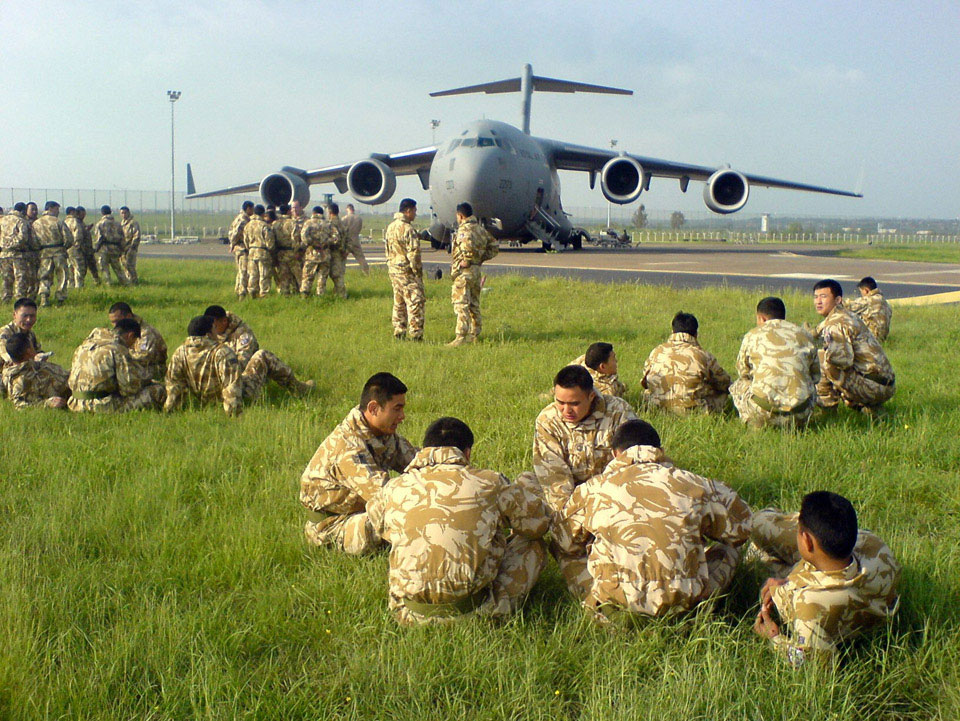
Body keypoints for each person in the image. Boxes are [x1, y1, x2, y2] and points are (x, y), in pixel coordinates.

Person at [556, 419, 752, 622]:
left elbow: (563, 540)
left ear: (615, 453)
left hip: (617, 608)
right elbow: (743, 529)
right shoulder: (696, 483)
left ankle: (600, 605)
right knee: (731, 549)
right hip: (687, 607)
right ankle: (696, 609)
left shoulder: (592, 489)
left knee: (567, 552)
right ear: (660, 450)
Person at [368, 416, 550, 625]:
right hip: (475, 613)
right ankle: (494, 611)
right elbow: (538, 526)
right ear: (467, 452)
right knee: (534, 545)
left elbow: (378, 524)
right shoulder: (489, 482)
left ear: (426, 449)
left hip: (408, 614)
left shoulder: (393, 487)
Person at [752, 492, 900, 666]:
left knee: (759, 553)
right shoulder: (874, 545)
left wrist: (774, 637)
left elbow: (810, 663)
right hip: (829, 564)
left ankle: (757, 552)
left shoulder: (809, 608)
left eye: (799, 531)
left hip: (815, 588)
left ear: (806, 541)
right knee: (761, 533)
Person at [528, 364, 636, 597]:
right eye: (560, 402)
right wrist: (573, 524)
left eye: (574, 403)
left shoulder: (619, 413)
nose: (566, 410)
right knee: (525, 484)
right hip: (569, 497)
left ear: (591, 396)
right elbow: (555, 482)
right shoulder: (548, 420)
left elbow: (631, 467)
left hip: (610, 494)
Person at [299, 372, 417, 554]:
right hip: (331, 527)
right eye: (397, 409)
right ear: (374, 408)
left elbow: (417, 462)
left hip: (358, 513)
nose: (402, 416)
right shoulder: (348, 447)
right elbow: (385, 497)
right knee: (410, 520)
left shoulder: (381, 432)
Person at [164, 315, 314, 416]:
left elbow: (173, 385)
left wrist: (170, 410)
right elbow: (231, 386)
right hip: (242, 396)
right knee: (262, 355)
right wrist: (234, 415)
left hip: (204, 401)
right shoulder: (221, 352)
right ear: (209, 333)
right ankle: (299, 389)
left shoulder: (180, 353)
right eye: (214, 328)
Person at [730, 296, 820, 429]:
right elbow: (816, 376)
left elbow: (743, 371)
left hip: (763, 411)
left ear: (762, 318)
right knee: (809, 386)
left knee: (738, 385)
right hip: (800, 412)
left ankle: (753, 422)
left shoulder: (752, 335)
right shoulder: (804, 335)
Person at [813, 279, 895, 414]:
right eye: (816, 297)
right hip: (884, 383)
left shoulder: (836, 324)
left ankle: (827, 410)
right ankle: (870, 409)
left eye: (824, 297)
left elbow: (842, 361)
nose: (818, 301)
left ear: (838, 300)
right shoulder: (846, 315)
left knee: (822, 359)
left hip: (873, 387)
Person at [67, 318, 165, 412]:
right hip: (101, 405)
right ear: (130, 336)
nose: (131, 347)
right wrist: (147, 381)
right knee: (157, 390)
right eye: (134, 342)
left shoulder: (84, 346)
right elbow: (129, 388)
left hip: (75, 403)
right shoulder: (117, 350)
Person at [641, 311, 731, 414]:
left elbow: (645, 382)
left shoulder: (656, 352)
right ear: (696, 334)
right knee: (719, 392)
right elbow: (725, 383)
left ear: (672, 332)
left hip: (657, 408)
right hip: (693, 412)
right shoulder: (704, 356)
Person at [447, 202, 498, 346]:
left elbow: (466, 245)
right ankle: (475, 334)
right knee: (474, 303)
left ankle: (461, 336)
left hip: (464, 272)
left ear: (460, 215)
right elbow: (494, 247)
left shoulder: (464, 230)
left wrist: (467, 260)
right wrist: (480, 259)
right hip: (476, 271)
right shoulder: (481, 230)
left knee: (461, 303)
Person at [384, 198, 424, 340]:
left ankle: (399, 330)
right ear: (408, 211)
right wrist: (418, 273)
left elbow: (387, 250)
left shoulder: (390, 227)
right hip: (406, 271)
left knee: (399, 301)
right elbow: (414, 254)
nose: (415, 214)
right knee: (415, 302)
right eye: (414, 211)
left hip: (394, 270)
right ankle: (416, 333)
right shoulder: (408, 229)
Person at [2, 332, 69, 409]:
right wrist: (47, 403)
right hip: (68, 392)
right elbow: (19, 405)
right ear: (29, 351)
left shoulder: (28, 365)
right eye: (31, 345)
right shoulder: (20, 378)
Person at [108, 301, 168, 381]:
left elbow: (144, 358)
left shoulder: (145, 333)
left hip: (151, 369)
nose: (115, 325)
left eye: (117, 321)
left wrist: (123, 356)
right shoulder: (119, 331)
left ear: (128, 316)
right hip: (131, 366)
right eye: (112, 322)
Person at [32, 201, 74, 306]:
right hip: (59, 251)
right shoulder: (58, 221)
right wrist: (64, 247)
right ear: (51, 208)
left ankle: (44, 297)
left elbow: (33, 241)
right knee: (62, 276)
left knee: (44, 276)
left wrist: (40, 248)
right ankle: (60, 299)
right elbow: (69, 239)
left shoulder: (36, 223)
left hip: (44, 253)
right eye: (57, 209)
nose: (58, 211)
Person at [0, 203, 33, 302]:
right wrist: (12, 244)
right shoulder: (21, 221)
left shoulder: (2, 220)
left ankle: (5, 298)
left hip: (4, 254)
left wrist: (4, 245)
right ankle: (20, 299)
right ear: (23, 211)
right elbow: (23, 237)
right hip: (18, 254)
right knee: (20, 278)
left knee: (6, 278)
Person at [846, 277, 892, 343]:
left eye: (861, 292)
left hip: (869, 339)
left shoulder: (869, 300)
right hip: (882, 338)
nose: (861, 295)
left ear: (866, 290)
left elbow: (848, 306)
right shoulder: (886, 303)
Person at [244, 205, 275, 298]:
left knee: (253, 274)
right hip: (262, 252)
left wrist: (250, 248)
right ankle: (264, 295)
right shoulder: (264, 225)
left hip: (251, 252)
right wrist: (271, 250)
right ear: (263, 214)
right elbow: (270, 242)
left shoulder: (247, 225)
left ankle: (252, 293)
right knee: (264, 275)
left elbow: (245, 240)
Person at [93, 205, 128, 285]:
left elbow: (99, 238)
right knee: (118, 268)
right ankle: (125, 283)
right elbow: (122, 237)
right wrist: (122, 249)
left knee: (104, 268)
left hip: (104, 249)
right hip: (115, 248)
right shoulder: (117, 224)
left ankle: (108, 284)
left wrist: (96, 249)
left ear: (102, 213)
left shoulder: (100, 224)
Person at [272, 203, 301, 295]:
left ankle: (285, 293)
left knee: (283, 275)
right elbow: (295, 238)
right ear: (289, 211)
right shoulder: (292, 223)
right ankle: (302, 292)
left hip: (280, 253)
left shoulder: (275, 224)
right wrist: (297, 251)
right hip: (291, 252)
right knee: (298, 275)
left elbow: (272, 239)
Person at [228, 201, 254, 299]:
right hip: (242, 249)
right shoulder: (243, 220)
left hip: (239, 248)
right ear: (248, 208)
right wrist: (233, 243)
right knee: (243, 271)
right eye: (252, 208)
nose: (253, 211)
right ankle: (242, 293)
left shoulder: (238, 218)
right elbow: (236, 233)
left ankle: (238, 289)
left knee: (240, 271)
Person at [325, 203, 348, 299]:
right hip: (341, 252)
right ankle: (338, 293)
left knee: (336, 275)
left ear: (330, 212)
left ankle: (342, 295)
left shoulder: (331, 224)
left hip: (333, 252)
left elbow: (334, 239)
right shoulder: (342, 223)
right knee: (339, 273)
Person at [341, 203, 369, 274]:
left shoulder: (344, 219)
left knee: (342, 258)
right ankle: (366, 272)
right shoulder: (359, 219)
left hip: (347, 241)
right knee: (361, 258)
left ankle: (341, 273)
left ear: (348, 209)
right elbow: (359, 229)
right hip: (356, 239)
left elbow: (342, 230)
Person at [76, 207, 100, 286]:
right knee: (82, 268)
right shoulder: (77, 223)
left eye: (84, 214)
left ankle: (97, 281)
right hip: (82, 250)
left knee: (93, 267)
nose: (84, 216)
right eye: (82, 214)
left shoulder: (82, 223)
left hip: (88, 250)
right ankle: (79, 285)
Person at [119, 206, 142, 285]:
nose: (124, 215)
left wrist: (132, 247)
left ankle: (134, 282)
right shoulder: (122, 224)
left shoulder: (133, 223)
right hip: (123, 248)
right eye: (122, 213)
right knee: (124, 265)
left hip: (130, 248)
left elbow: (136, 236)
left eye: (125, 213)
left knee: (130, 265)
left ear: (128, 213)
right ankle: (128, 281)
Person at [23, 202, 41, 298]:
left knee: (38, 276)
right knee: (28, 277)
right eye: (32, 209)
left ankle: (34, 295)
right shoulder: (23, 222)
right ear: (26, 211)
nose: (34, 212)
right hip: (27, 254)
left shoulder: (40, 222)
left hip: (38, 254)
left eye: (36, 209)